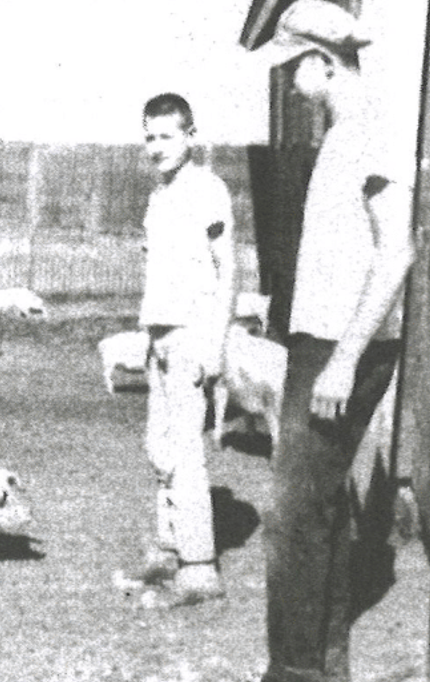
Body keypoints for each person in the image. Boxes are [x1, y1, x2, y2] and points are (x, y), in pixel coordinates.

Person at [252, 1, 416, 680]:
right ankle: (321, 666)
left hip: (336, 349)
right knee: (316, 513)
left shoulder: (369, 133)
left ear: (322, 63)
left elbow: (397, 252)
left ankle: (291, 673)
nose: (289, 84)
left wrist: (342, 361)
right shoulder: (345, 135)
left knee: (292, 521)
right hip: (322, 345)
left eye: (292, 69)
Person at [113, 92, 236, 607]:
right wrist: (146, 336)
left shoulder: (208, 188)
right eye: (149, 136)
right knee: (158, 448)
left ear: (191, 135)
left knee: (186, 454)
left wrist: (215, 342)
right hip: (160, 335)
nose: (155, 146)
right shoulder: (159, 195)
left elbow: (228, 268)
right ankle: (167, 553)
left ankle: (199, 568)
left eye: (166, 135)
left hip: (192, 335)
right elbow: (157, 274)